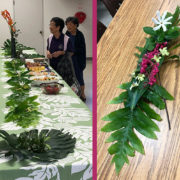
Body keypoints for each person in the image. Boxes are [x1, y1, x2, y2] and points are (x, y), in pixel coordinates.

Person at [65, 17, 87, 102]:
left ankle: (82, 94)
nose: (68, 26)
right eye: (67, 24)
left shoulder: (80, 34)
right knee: (70, 77)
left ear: (75, 25)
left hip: (78, 59)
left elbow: (82, 48)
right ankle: (73, 93)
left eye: (70, 24)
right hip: (69, 59)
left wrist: (73, 52)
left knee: (79, 77)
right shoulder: (67, 33)